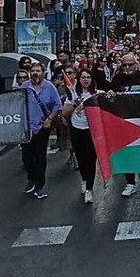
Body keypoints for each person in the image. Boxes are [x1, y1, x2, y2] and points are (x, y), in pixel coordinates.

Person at [109, 52, 140, 196]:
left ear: (135, 64)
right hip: (124, 120)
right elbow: (110, 96)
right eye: (124, 65)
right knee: (126, 151)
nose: (127, 67)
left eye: (130, 64)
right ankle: (130, 182)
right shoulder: (117, 79)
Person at [20, 61, 62, 199]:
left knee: (40, 156)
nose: (35, 73)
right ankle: (31, 177)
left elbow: (57, 105)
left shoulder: (49, 87)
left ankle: (39, 186)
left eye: (38, 71)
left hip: (42, 126)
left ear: (43, 73)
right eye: (33, 71)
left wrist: (49, 119)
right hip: (26, 128)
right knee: (26, 157)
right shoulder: (24, 87)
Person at [64, 67, 98, 203]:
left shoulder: (96, 94)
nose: (86, 80)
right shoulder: (73, 94)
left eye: (88, 77)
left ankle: (89, 189)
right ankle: (84, 178)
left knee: (91, 160)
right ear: (79, 79)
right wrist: (74, 104)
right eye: (83, 77)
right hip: (77, 130)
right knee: (81, 159)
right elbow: (64, 112)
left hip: (92, 131)